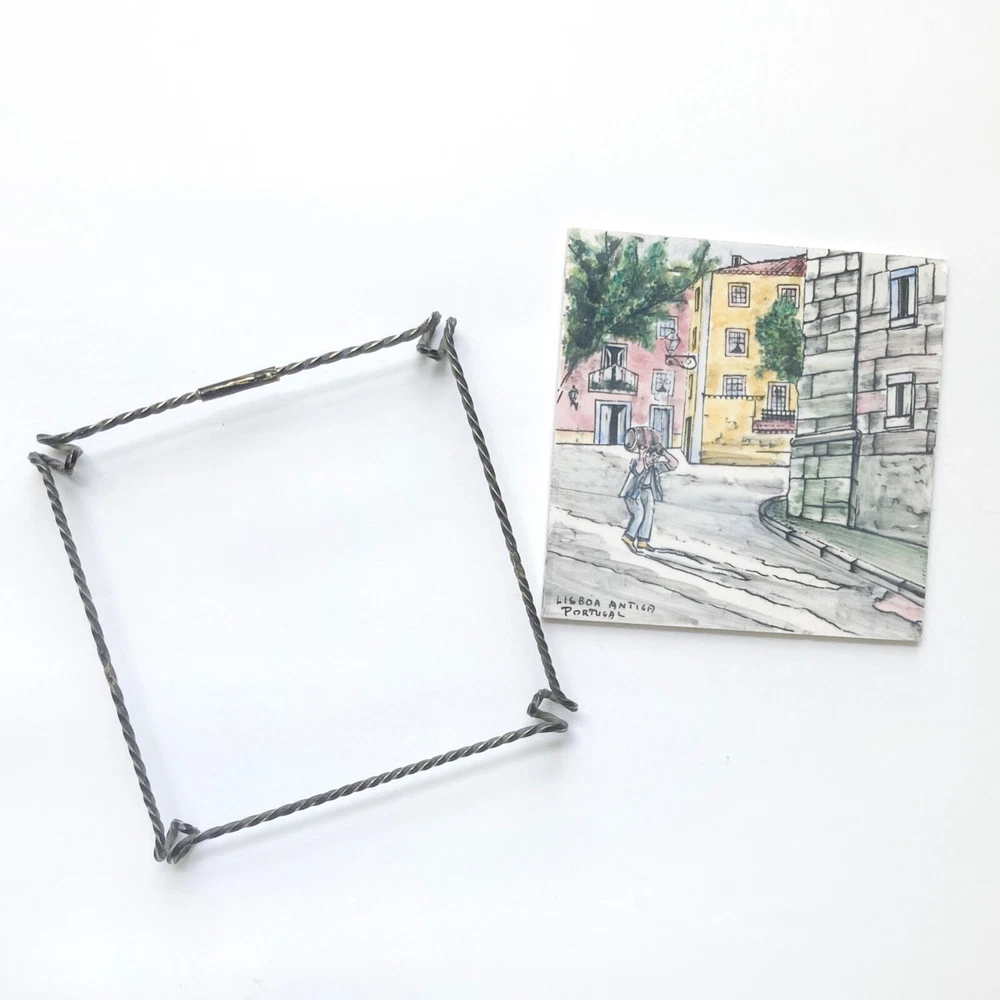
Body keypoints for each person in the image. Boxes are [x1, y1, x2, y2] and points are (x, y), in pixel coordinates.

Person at [619, 443, 677, 553]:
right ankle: (628, 537)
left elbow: (674, 464)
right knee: (639, 513)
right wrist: (642, 455)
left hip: (647, 490)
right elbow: (638, 470)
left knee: (649, 513)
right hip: (633, 492)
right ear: (647, 454)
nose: (655, 459)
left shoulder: (655, 466)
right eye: (653, 456)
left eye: (657, 457)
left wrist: (664, 453)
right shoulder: (637, 462)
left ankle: (643, 540)